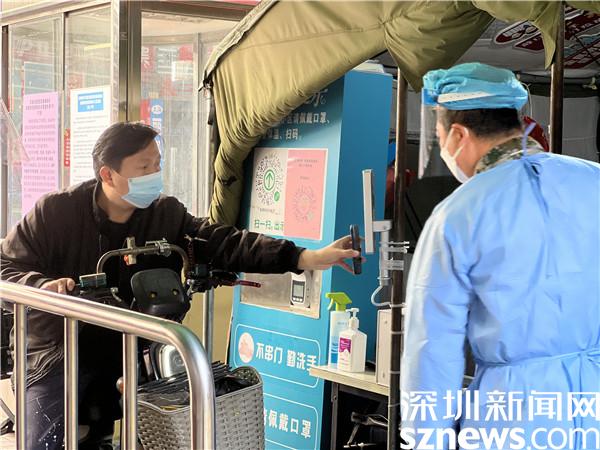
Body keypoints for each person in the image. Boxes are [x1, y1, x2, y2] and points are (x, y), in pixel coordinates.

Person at [0, 121, 359, 450]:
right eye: (144, 167)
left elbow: (222, 242)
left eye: (157, 164)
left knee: (177, 422)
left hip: (132, 349)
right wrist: (41, 287)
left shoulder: (165, 214)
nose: (154, 174)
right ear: (107, 174)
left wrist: (302, 257)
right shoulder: (55, 213)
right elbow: (5, 266)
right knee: (45, 441)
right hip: (58, 350)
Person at [401, 63, 600, 450]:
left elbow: (432, 348)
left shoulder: (458, 214)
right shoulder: (593, 181)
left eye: (440, 138)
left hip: (513, 416)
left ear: (458, 134)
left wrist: (426, 440)